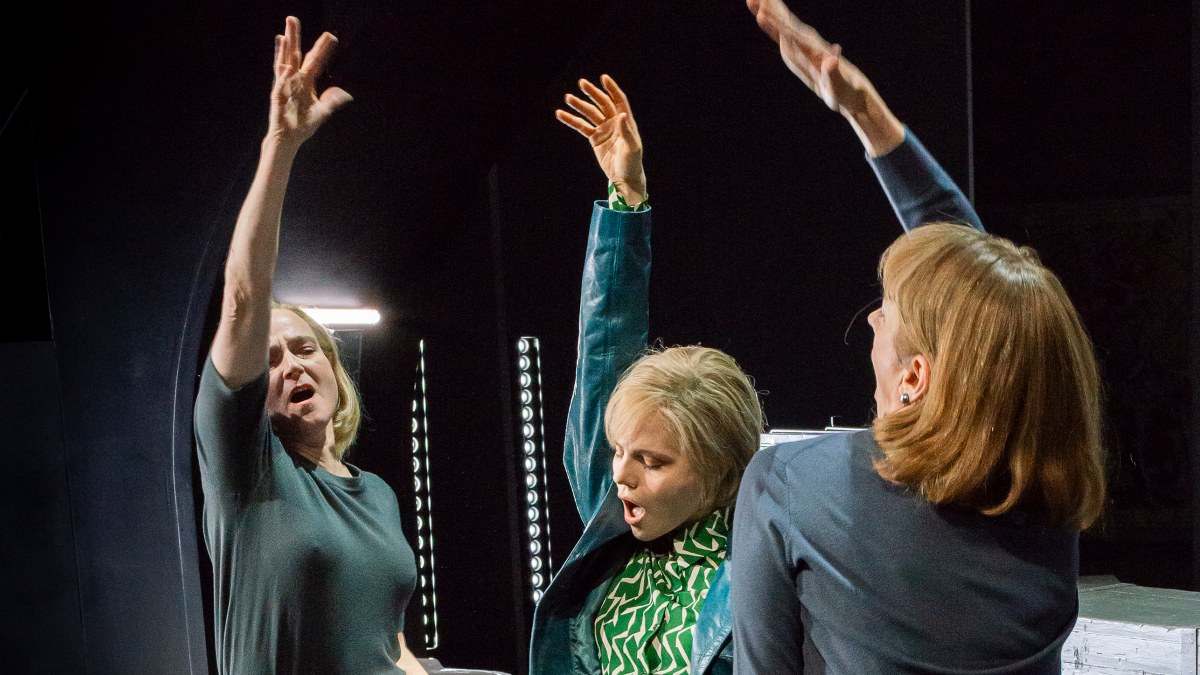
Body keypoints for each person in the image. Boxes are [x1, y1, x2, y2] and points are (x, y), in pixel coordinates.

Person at [730, 2, 1107, 673]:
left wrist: (863, 110)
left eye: (888, 310)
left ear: (914, 378)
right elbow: (989, 311)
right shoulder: (1044, 514)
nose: (874, 320)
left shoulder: (790, 486)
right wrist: (866, 113)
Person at [193, 17, 427, 674]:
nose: (291, 364)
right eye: (270, 359)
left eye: (304, 348)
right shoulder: (247, 469)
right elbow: (244, 296)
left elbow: (389, 643)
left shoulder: (376, 493)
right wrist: (281, 146)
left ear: (332, 364)